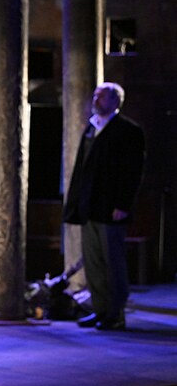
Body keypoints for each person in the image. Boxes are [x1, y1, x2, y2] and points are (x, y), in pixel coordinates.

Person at [63, 82, 145, 331]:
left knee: (113, 264)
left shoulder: (129, 130)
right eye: (95, 95)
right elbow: (82, 168)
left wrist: (123, 204)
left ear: (115, 101)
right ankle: (100, 310)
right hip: (89, 207)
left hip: (111, 209)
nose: (95, 99)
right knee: (94, 263)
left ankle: (115, 313)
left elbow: (133, 172)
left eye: (101, 96)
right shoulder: (92, 127)